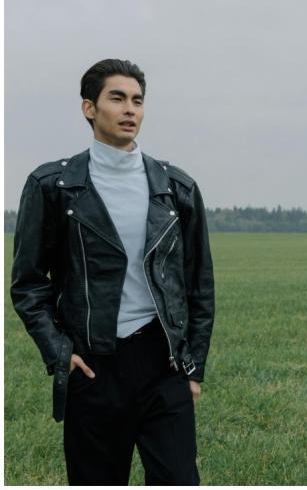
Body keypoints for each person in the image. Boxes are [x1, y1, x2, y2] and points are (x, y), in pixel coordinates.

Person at [11, 58, 215, 485]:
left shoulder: (176, 188)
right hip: (93, 366)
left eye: (137, 101)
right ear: (89, 108)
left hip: (163, 365)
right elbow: (28, 285)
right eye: (117, 98)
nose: (130, 110)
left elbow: (198, 285)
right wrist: (59, 354)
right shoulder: (53, 186)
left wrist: (193, 370)